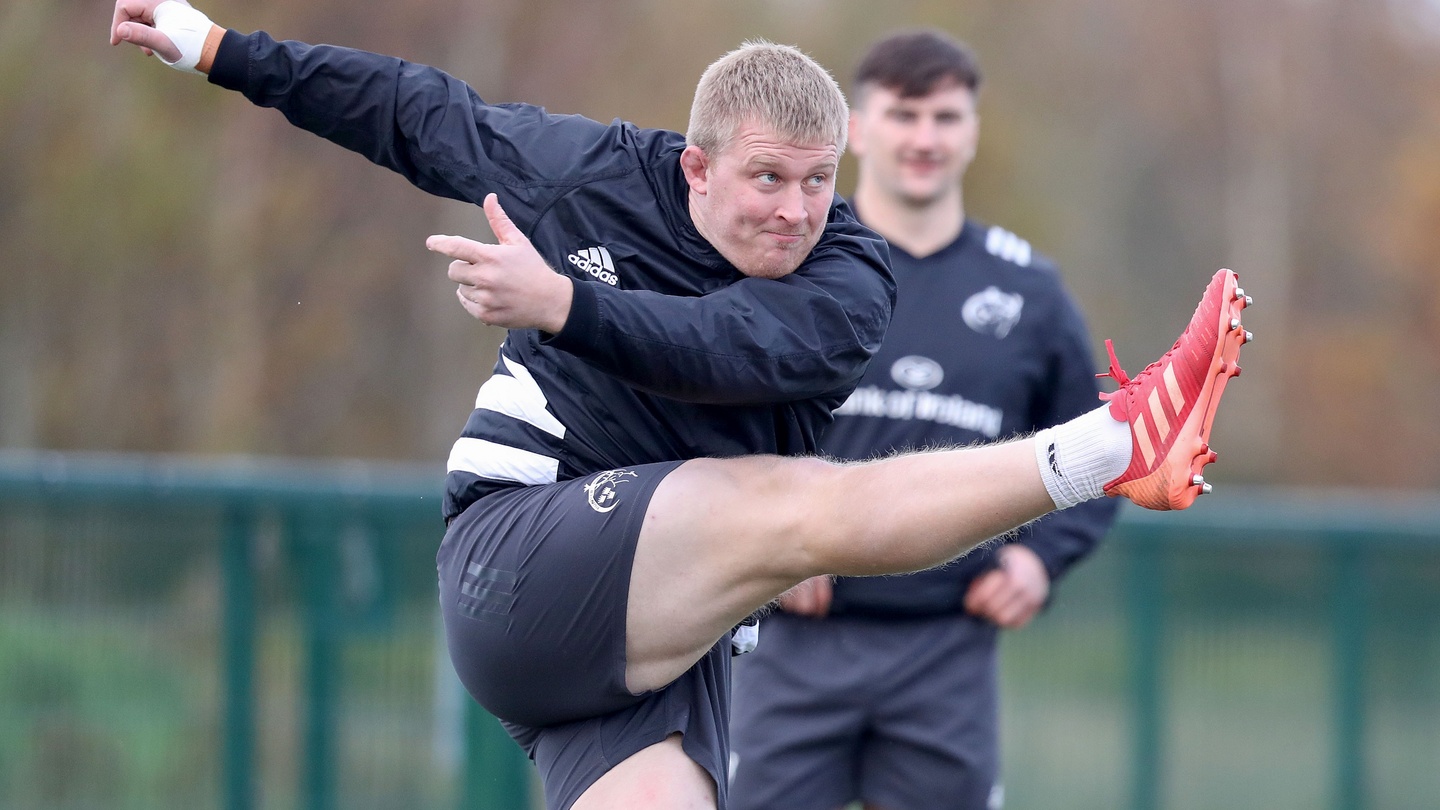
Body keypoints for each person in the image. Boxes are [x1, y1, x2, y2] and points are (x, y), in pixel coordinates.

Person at [110, 4, 1252, 809]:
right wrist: (219, 49)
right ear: (694, 167)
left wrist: (564, 305)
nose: (796, 210)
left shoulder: (853, 282)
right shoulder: (588, 171)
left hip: (664, 650)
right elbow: (417, 113)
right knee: (792, 506)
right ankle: (1118, 443)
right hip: (520, 563)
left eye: (819, 180)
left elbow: (721, 350)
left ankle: (1116, 449)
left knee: (777, 515)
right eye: (766, 178)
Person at [728, 30, 1118, 810]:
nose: (925, 138)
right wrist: (766, 543)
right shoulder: (791, 263)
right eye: (904, 116)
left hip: (948, 645)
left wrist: (1040, 561)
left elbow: (1103, 449)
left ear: (972, 129)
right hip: (790, 640)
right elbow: (711, 414)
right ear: (858, 130)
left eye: (945, 117)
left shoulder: (1029, 290)